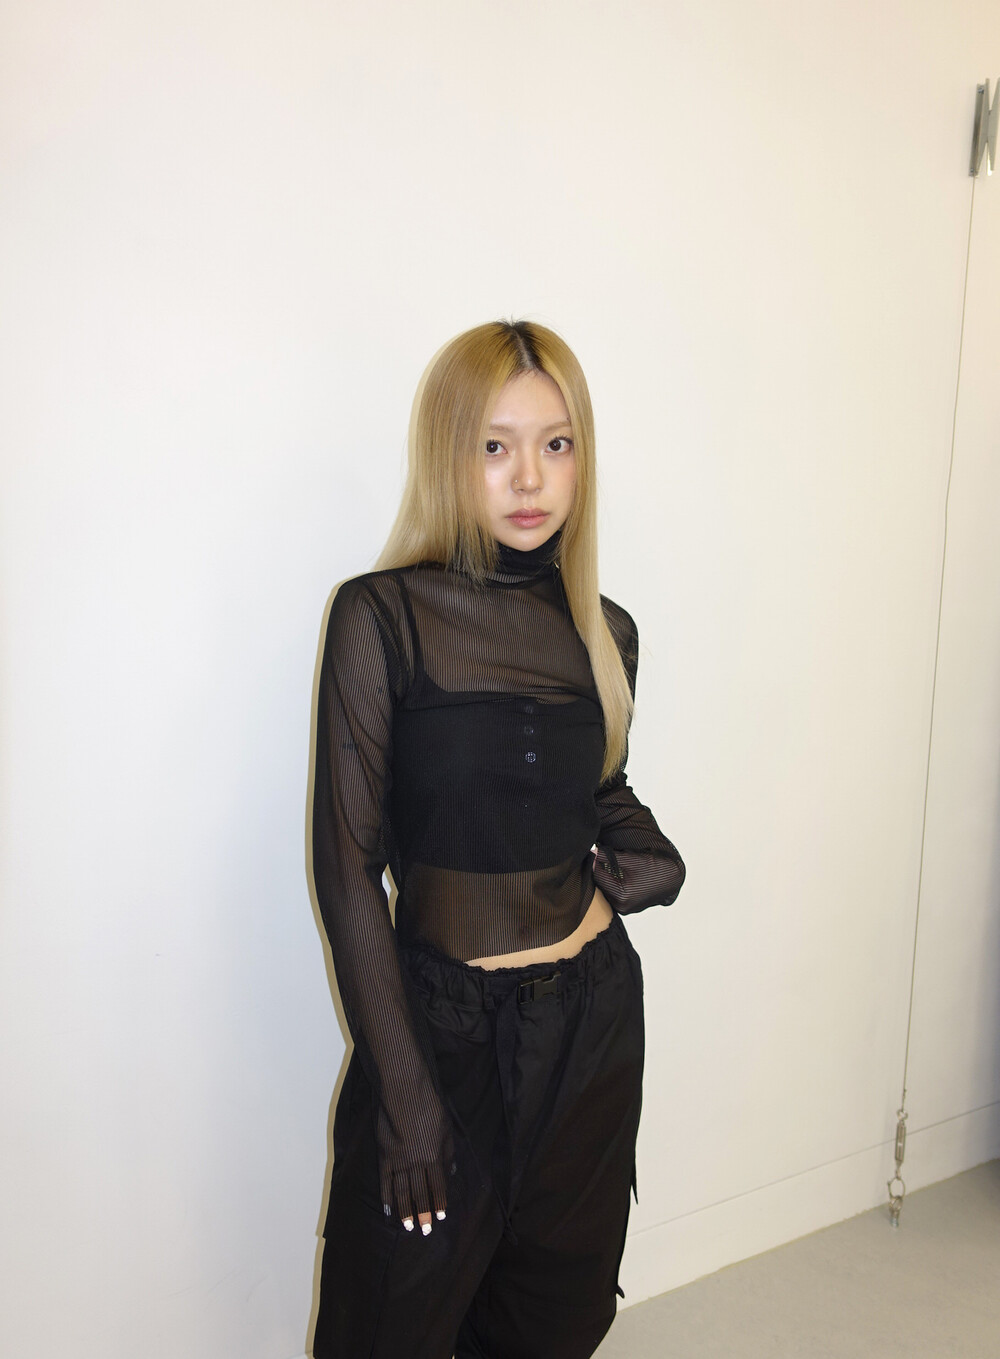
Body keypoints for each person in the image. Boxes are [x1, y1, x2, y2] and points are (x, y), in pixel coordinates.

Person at [310, 319, 686, 1359]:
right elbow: (346, 867)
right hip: (440, 1032)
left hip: (590, 1026)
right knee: (386, 1324)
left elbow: (588, 785)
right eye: (495, 445)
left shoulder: (606, 632)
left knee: (550, 1321)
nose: (530, 476)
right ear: (450, 453)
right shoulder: (383, 618)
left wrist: (649, 850)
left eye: (556, 444)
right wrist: (406, 1097)